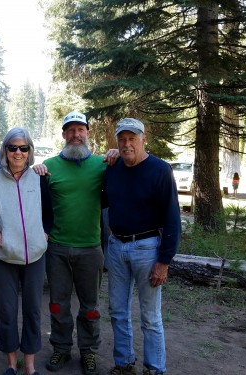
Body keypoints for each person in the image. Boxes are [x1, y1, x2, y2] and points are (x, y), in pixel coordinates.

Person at [103, 118, 181, 375]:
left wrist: (164, 261)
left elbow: (172, 218)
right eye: (122, 139)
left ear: (143, 139)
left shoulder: (160, 170)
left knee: (150, 316)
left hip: (147, 248)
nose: (126, 144)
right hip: (116, 246)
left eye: (132, 139)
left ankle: (155, 368)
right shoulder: (112, 168)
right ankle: (124, 364)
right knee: (117, 311)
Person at [0, 128, 54, 375]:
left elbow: (50, 214)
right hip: (3, 258)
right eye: (13, 148)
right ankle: (11, 363)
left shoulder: (39, 178)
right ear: (5, 151)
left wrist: (44, 235)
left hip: (35, 257)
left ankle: (29, 365)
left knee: (32, 311)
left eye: (23, 148)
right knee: (7, 312)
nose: (18, 153)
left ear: (30, 151)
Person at [42, 111, 106, 375]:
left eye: (81, 129)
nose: (76, 135)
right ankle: (61, 349)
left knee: (90, 307)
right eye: (71, 130)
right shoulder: (48, 167)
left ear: (88, 133)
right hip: (57, 248)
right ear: (64, 135)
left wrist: (114, 155)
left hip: (90, 248)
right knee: (58, 304)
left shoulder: (103, 164)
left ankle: (88, 351)